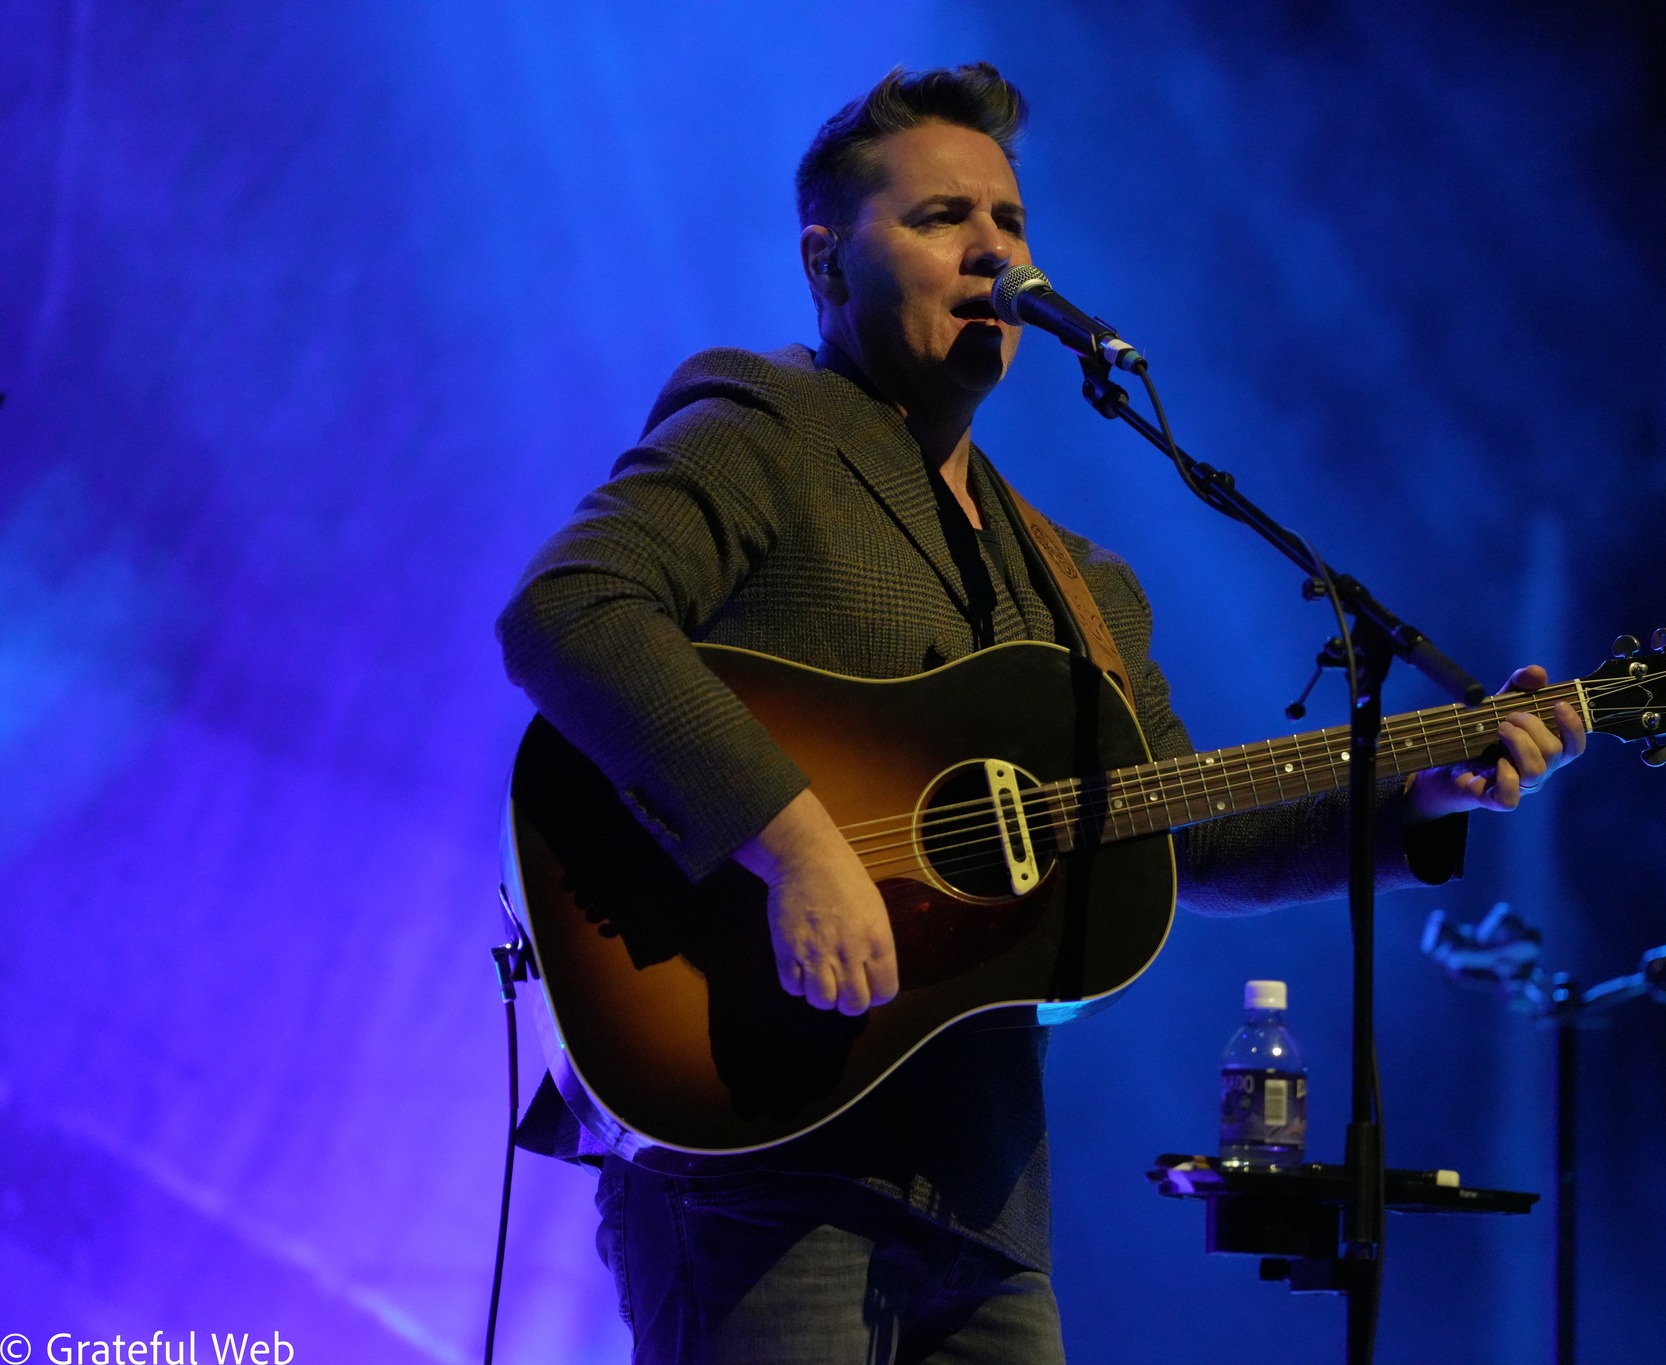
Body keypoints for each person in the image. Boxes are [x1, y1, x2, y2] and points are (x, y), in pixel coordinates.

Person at [496, 62, 1584, 1365]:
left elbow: (1186, 840)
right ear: (828, 263)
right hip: (759, 1160)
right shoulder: (766, 425)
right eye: (941, 217)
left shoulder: (1082, 584)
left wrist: (1421, 796)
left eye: (1008, 220)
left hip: (986, 1201)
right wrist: (796, 846)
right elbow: (571, 609)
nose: (993, 249)